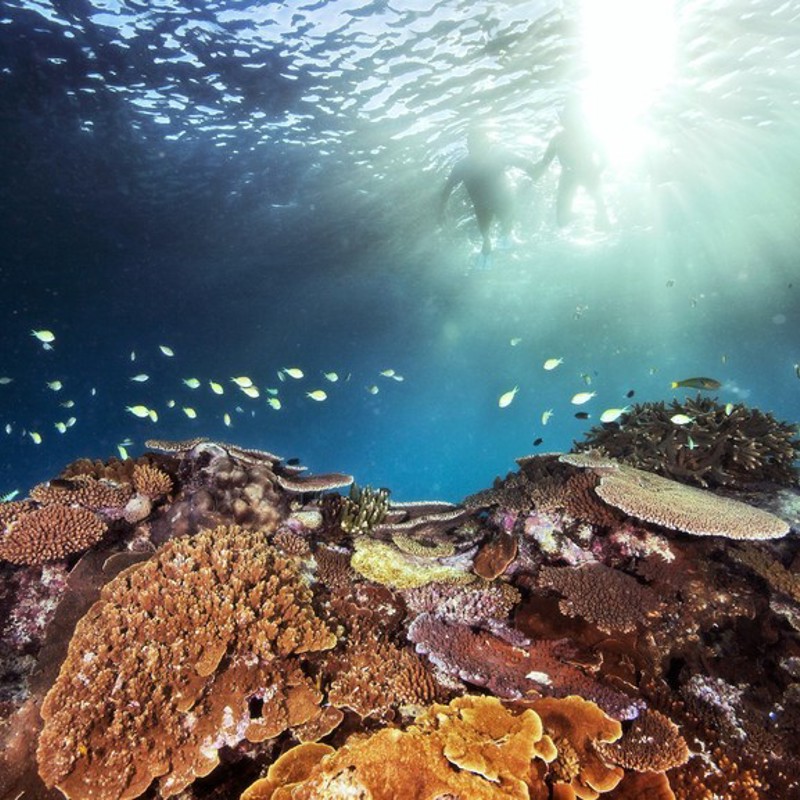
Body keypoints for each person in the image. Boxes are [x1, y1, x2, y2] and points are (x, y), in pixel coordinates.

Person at [439, 126, 538, 268]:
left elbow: (524, 163)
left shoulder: (498, 155)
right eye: (473, 144)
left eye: (479, 144)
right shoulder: (463, 166)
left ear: (487, 144)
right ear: (469, 147)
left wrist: (534, 172)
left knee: (506, 226)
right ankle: (491, 246)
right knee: (488, 234)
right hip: (484, 205)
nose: (476, 148)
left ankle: (502, 242)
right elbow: (447, 189)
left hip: (498, 201)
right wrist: (441, 210)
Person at [533, 99, 610, 230]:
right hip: (569, 175)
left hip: (588, 172)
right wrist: (533, 174)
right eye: (568, 119)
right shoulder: (558, 139)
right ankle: (579, 215)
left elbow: (605, 159)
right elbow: (545, 162)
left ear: (580, 119)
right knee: (562, 220)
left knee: (602, 214)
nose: (571, 123)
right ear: (564, 121)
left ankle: (599, 219)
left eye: (574, 118)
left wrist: (596, 173)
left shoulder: (589, 136)